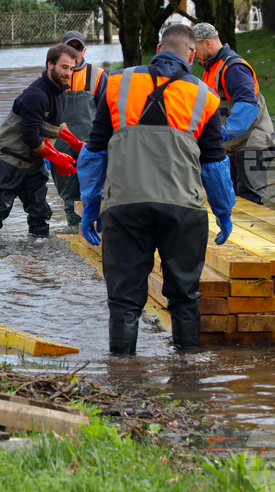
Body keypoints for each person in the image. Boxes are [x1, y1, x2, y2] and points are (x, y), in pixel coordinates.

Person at [77, 24, 236, 354]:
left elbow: (94, 152)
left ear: (159, 47)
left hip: (124, 207)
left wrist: (91, 205)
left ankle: (122, 374)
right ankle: (187, 373)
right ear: (192, 54)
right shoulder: (205, 96)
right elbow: (215, 165)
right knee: (185, 296)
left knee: (123, 299)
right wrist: (223, 211)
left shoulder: (117, 84)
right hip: (183, 210)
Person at [0, 43, 84, 240]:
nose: (69, 72)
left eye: (72, 68)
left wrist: (76, 143)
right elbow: (30, 137)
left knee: (40, 213)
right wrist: (57, 158)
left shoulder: (60, 92)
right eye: (64, 67)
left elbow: (57, 123)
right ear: (50, 65)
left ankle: (37, 257)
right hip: (9, 161)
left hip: (34, 163)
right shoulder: (35, 94)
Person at [193, 22, 275, 204]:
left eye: (195, 48)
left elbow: (247, 106)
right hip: (236, 145)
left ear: (207, 43)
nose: (193, 54)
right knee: (235, 202)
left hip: (253, 144)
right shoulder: (211, 69)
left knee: (250, 203)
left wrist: (219, 134)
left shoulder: (233, 68)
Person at [52, 30, 107, 225]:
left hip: (91, 148)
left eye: (78, 48)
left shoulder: (97, 75)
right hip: (61, 148)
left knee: (96, 195)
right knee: (69, 200)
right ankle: (74, 232)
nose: (74, 51)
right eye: (70, 47)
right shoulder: (53, 75)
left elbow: (107, 113)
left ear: (84, 50)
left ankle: (96, 234)